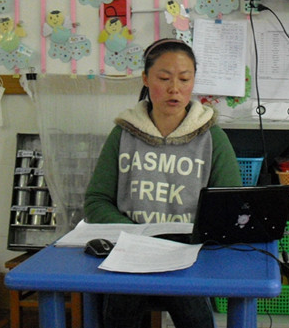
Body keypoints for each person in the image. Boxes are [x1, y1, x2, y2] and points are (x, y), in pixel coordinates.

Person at [84, 38, 242, 328]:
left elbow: (230, 205)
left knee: (193, 314)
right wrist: (137, 238)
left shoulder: (212, 138)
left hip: (187, 254)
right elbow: (96, 201)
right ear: (146, 79)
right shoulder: (123, 134)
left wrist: (188, 243)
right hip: (131, 250)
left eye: (184, 79)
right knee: (119, 311)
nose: (174, 89)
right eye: (164, 78)